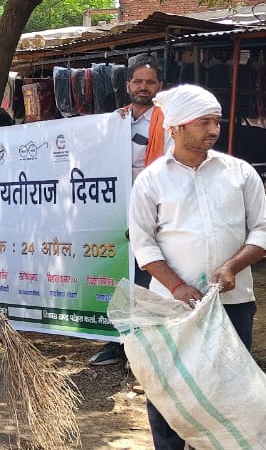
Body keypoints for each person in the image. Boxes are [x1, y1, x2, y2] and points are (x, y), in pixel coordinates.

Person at [131, 84, 266, 450]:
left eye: (217, 121)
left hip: (232, 303)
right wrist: (177, 287)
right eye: (204, 122)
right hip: (171, 306)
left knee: (227, 389)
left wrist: (232, 267)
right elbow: (143, 244)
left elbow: (264, 231)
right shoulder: (151, 179)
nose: (214, 130)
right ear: (176, 127)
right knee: (167, 388)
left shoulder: (240, 173)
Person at [89, 53, 173, 366]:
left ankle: (143, 349)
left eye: (150, 82)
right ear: (128, 85)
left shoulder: (167, 123)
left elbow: (169, 169)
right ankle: (117, 343)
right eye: (138, 81)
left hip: (150, 212)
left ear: (159, 86)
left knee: (145, 278)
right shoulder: (116, 120)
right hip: (115, 211)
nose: (143, 87)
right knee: (118, 278)